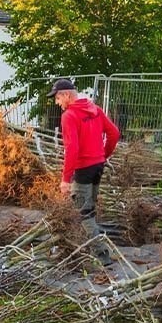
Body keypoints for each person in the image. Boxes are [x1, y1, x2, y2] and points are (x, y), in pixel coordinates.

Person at [46, 78, 120, 265]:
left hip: (84, 170)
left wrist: (65, 179)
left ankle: (103, 257)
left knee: (83, 213)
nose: (57, 102)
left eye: (57, 98)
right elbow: (114, 133)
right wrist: (104, 155)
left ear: (66, 95)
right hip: (97, 167)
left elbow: (72, 149)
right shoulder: (94, 109)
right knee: (90, 210)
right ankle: (92, 245)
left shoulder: (69, 116)